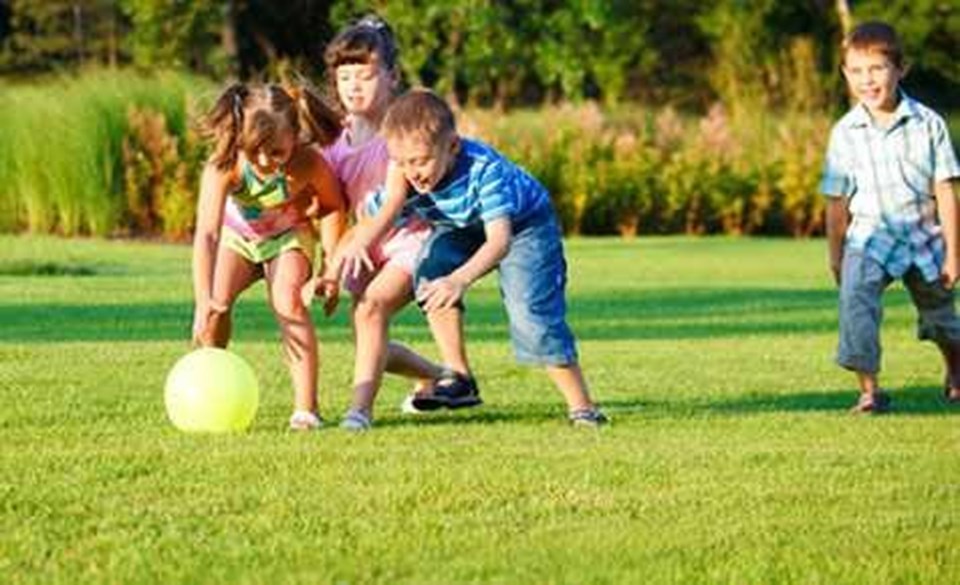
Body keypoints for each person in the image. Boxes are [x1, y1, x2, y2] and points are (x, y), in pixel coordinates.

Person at [340, 88, 608, 427]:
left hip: (523, 226)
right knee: (430, 271)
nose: (413, 172)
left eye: (421, 161)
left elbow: (499, 242)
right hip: (463, 225)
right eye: (403, 162)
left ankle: (583, 407)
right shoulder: (403, 173)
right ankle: (459, 377)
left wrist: (459, 279)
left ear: (452, 146)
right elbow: (380, 213)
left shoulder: (484, 169)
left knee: (531, 316)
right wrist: (346, 254)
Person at [304, 15, 444, 431]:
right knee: (368, 329)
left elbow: (391, 203)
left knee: (371, 312)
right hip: (362, 246)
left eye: (365, 75)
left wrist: (356, 245)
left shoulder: (400, 130)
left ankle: (359, 412)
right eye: (344, 76)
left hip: (410, 240)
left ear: (392, 76)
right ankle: (438, 377)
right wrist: (327, 270)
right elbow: (331, 211)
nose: (353, 86)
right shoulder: (333, 140)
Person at [821, 21, 960, 413]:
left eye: (877, 69)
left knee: (941, 320)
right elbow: (835, 201)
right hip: (868, 239)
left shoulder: (929, 124)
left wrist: (954, 252)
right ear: (846, 74)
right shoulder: (844, 133)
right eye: (858, 71)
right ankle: (869, 390)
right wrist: (836, 255)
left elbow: (946, 190)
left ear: (901, 68)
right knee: (856, 304)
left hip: (923, 236)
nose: (868, 80)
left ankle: (955, 365)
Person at [193, 82, 346, 431]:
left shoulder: (308, 163)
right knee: (217, 306)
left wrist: (330, 269)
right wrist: (203, 301)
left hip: (288, 237)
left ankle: (307, 410)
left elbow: (333, 208)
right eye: (254, 150)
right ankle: (210, 389)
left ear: (295, 135)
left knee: (288, 302)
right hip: (239, 238)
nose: (264, 161)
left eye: (276, 152)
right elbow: (207, 234)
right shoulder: (225, 163)